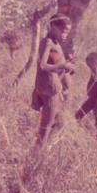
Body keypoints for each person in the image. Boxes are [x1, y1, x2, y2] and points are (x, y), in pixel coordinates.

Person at [31, 13, 75, 147]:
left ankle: (43, 149)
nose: (64, 34)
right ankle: (37, 155)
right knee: (46, 125)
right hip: (49, 88)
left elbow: (54, 65)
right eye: (62, 30)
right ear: (52, 26)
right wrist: (63, 65)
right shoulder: (48, 42)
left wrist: (67, 64)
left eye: (67, 31)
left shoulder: (56, 43)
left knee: (55, 121)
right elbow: (43, 65)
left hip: (55, 87)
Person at [74, 51, 97, 138]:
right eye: (88, 65)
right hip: (91, 99)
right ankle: (81, 134)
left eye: (90, 64)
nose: (89, 67)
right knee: (77, 116)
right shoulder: (93, 70)